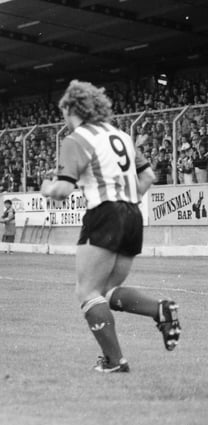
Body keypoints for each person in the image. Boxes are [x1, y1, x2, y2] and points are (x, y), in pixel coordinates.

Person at [40, 80, 180, 374]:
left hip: (104, 212)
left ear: (71, 108)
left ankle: (115, 360)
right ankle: (160, 310)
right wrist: (125, 201)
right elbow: (149, 177)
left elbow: (64, 189)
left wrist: (47, 188)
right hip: (132, 214)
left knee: (87, 291)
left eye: (63, 111)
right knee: (107, 289)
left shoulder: (76, 139)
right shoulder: (123, 136)